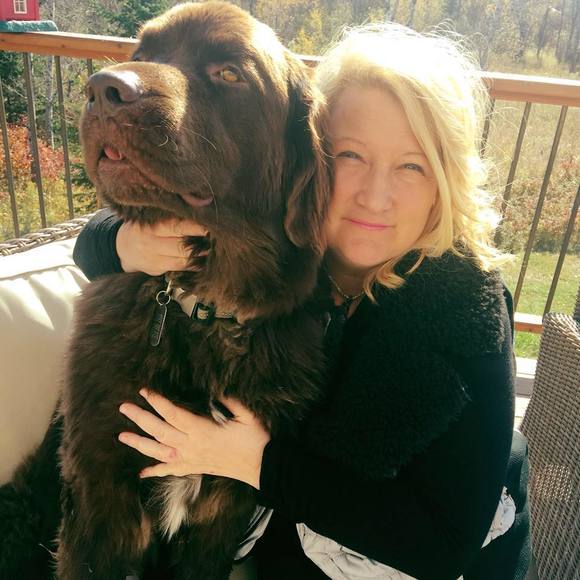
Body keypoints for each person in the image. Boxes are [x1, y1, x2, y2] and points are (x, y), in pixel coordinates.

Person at [73, 23, 530, 580]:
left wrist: (254, 463)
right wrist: (119, 242)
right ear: (307, 157)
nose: (375, 196)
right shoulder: (292, 253)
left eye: (412, 166)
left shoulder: (464, 306)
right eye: (351, 155)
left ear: (446, 182)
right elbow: (115, 231)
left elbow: (444, 546)